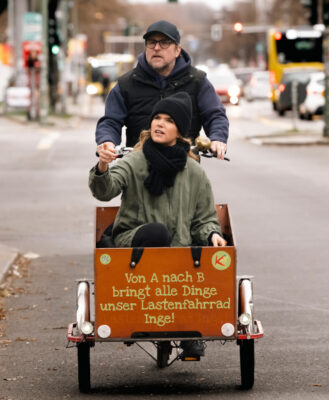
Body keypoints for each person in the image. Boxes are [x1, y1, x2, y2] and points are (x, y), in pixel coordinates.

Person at [90, 92, 225, 357]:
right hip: (134, 244)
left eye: (168, 120)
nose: (159, 124)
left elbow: (204, 218)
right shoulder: (134, 161)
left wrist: (212, 235)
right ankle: (152, 320)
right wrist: (103, 167)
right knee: (157, 232)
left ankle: (186, 328)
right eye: (156, 118)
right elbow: (105, 191)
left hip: (180, 253)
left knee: (195, 252)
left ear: (180, 131)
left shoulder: (194, 171)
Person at [95, 20, 229, 160]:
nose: (157, 48)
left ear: (177, 50)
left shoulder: (197, 81)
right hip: (138, 168)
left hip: (184, 165)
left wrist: (218, 138)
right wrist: (107, 141)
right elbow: (110, 121)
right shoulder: (126, 83)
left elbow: (215, 115)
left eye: (164, 42)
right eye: (151, 42)